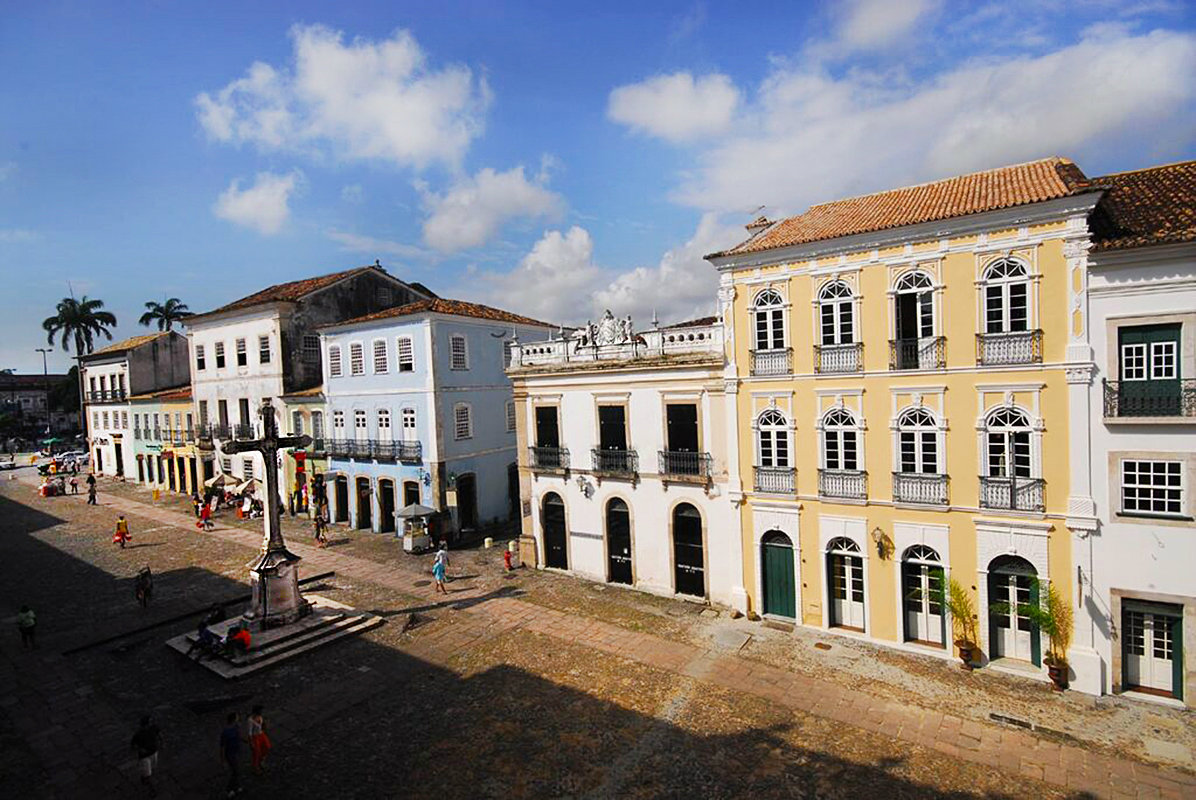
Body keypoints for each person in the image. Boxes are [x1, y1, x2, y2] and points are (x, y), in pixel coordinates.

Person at [130, 714, 162, 796]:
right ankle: (152, 789)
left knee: (152, 768)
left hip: (154, 753)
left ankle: (144, 777)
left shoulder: (154, 728)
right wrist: (140, 749)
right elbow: (133, 745)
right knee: (148, 774)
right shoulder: (138, 734)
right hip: (145, 757)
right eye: (150, 722)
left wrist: (162, 742)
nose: (152, 723)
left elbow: (159, 734)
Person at [219, 712, 243, 796]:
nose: (238, 720)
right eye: (237, 718)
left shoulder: (236, 727)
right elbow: (222, 747)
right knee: (236, 772)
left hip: (236, 752)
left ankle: (236, 787)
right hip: (230, 754)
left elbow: (239, 736)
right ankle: (229, 789)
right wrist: (223, 761)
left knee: (237, 771)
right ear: (233, 720)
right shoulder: (225, 732)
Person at [247, 704, 271, 773]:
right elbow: (250, 732)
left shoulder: (260, 717)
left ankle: (261, 761)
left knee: (266, 747)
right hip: (255, 737)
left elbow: (262, 725)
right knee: (256, 752)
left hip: (261, 734)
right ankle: (256, 767)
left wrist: (265, 729)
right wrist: (251, 742)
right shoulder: (250, 720)